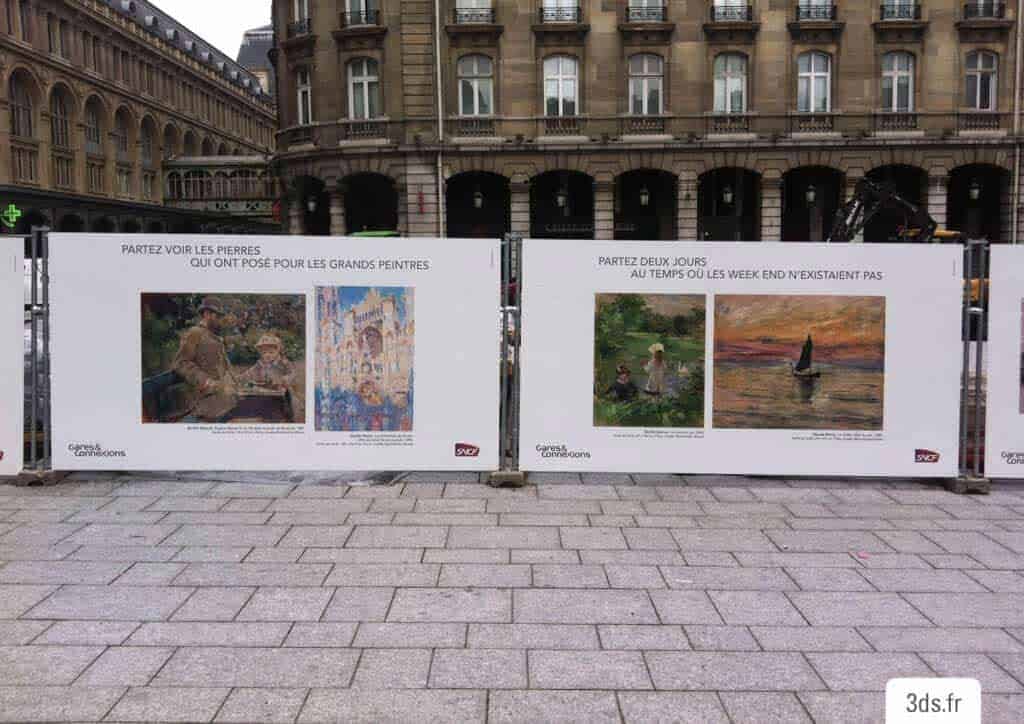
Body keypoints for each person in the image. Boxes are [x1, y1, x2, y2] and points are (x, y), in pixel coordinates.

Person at [172, 296, 237, 422]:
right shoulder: (195, 333)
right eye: (218, 316)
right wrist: (205, 381)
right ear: (207, 314)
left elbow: (224, 366)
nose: (221, 320)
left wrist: (236, 382)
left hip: (222, 398)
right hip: (204, 401)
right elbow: (181, 363)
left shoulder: (216, 337)